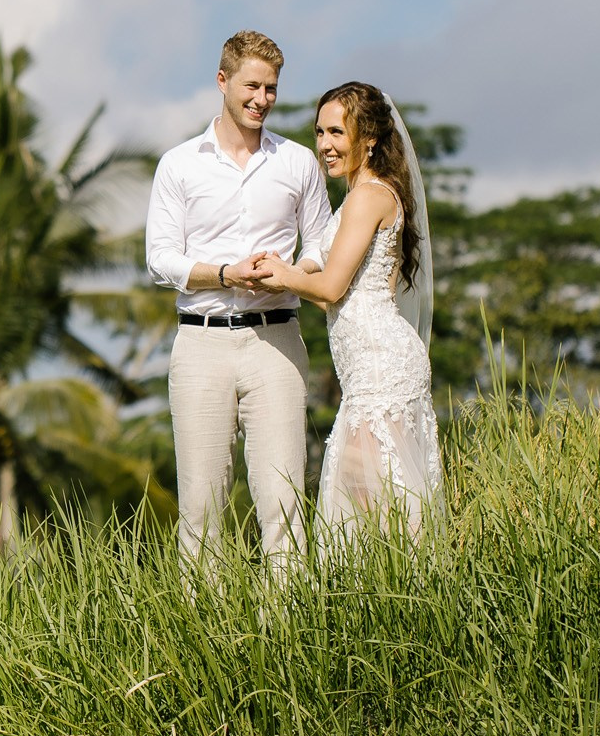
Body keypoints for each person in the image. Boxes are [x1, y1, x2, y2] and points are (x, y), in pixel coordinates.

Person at [145, 30, 335, 568]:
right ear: (223, 80)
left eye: (272, 89)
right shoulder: (179, 165)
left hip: (277, 341)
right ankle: (203, 640)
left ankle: (290, 638)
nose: (262, 99)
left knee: (284, 504)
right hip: (201, 345)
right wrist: (227, 274)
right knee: (201, 510)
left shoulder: (297, 162)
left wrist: (293, 273)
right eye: (253, 86)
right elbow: (161, 259)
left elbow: (321, 239)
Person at [254, 82, 443, 540]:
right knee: (374, 506)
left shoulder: (367, 196)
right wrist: (296, 274)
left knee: (380, 510)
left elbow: (332, 287)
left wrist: (281, 273)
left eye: (337, 132)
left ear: (370, 137)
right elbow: (329, 291)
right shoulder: (364, 195)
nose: (325, 145)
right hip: (368, 370)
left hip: (381, 370)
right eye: (320, 133)